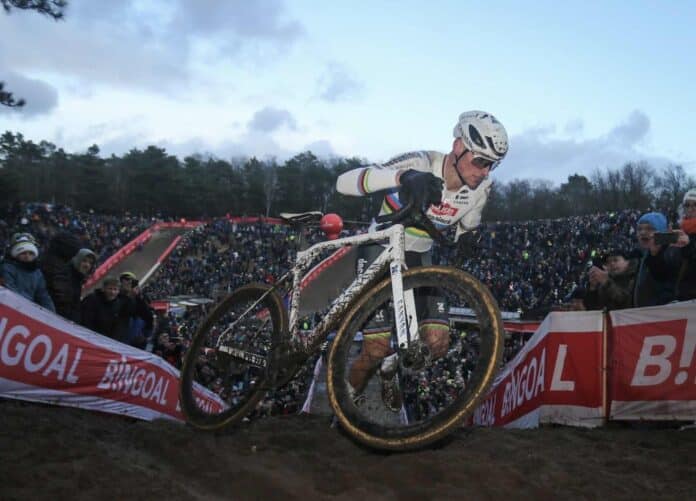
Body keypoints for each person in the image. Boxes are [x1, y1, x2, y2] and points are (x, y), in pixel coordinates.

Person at [335, 110, 508, 410]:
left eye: (492, 165)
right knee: (373, 350)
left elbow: (468, 226)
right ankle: (348, 403)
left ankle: (391, 368)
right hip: (379, 248)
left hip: (419, 256)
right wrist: (402, 177)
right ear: (458, 147)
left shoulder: (482, 187)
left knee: (438, 342)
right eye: (480, 161)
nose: (485, 172)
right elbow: (343, 183)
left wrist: (468, 237)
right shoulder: (421, 163)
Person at [633, 212, 682, 307]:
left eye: (650, 228)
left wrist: (655, 256)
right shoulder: (642, 255)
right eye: (639, 229)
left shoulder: (672, 253)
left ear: (661, 232)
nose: (643, 232)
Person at [0, 233, 55, 311]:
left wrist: (51, 313)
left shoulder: (37, 273)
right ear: (16, 254)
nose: (27, 256)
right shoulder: (7, 268)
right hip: (10, 306)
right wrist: (30, 306)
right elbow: (10, 289)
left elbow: (43, 295)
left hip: (28, 309)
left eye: (31, 253)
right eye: (23, 253)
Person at [80, 276, 132, 341]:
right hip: (86, 335)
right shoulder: (92, 299)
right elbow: (84, 317)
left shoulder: (119, 305)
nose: (112, 292)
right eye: (110, 289)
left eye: (115, 289)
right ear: (103, 289)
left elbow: (119, 327)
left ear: (118, 291)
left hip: (103, 340)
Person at [118, 271, 154, 349]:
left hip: (132, 342)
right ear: (121, 282)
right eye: (126, 279)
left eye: (132, 281)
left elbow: (148, 318)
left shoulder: (139, 300)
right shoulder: (116, 296)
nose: (129, 282)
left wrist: (144, 337)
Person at [674, 189, 696, 300]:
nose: (691, 209)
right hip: (680, 294)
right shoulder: (678, 229)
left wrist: (689, 245)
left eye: (695, 205)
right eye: (687, 205)